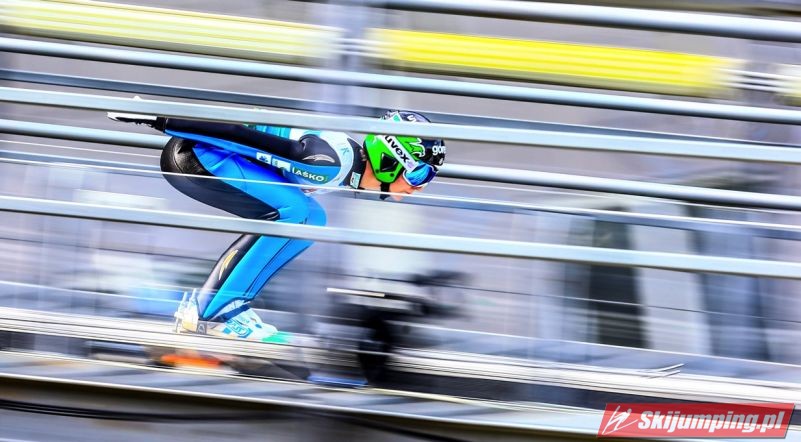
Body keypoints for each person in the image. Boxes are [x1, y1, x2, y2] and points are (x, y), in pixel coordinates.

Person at [110, 109, 446, 342]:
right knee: (300, 215)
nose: (420, 187)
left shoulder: (346, 164)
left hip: (206, 153)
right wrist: (163, 120)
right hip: (196, 155)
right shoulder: (330, 165)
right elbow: (239, 136)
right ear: (389, 160)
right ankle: (213, 314)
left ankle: (221, 307)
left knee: (309, 218)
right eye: (420, 174)